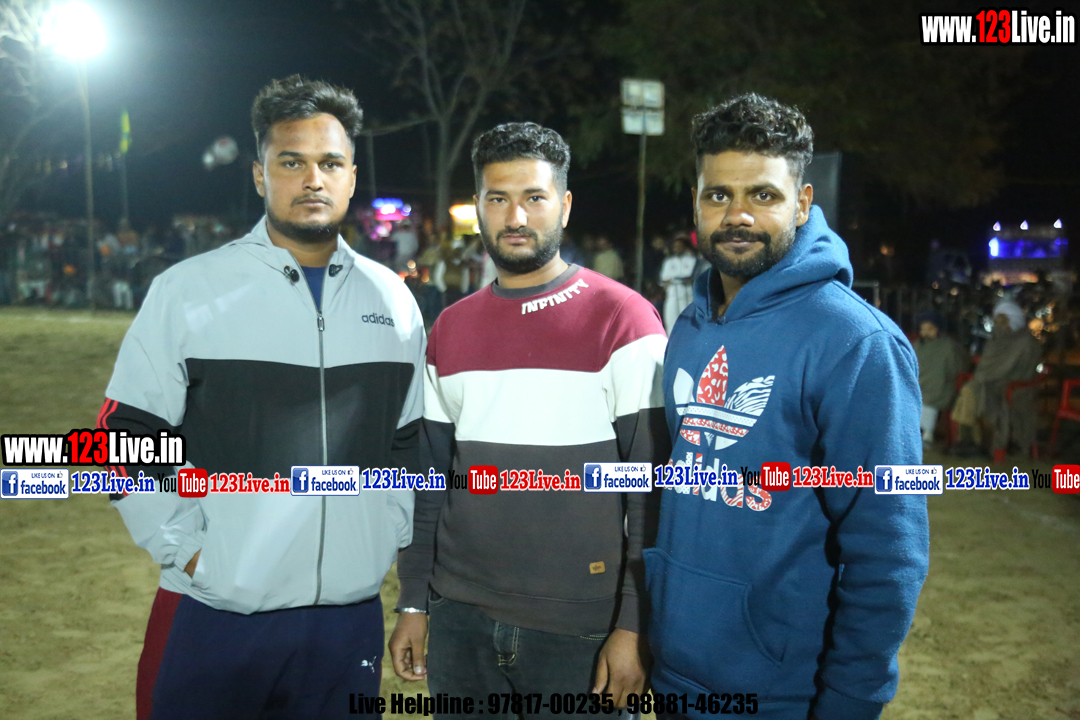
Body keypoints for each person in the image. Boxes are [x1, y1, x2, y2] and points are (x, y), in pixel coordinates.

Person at [99, 75, 426, 720]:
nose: (313, 179)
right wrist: (191, 553)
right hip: (215, 612)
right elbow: (121, 437)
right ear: (259, 175)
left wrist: (385, 531)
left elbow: (410, 443)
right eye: (291, 162)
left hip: (346, 622)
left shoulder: (394, 300)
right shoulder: (188, 290)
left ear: (351, 177)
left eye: (330, 163)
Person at [651, 93, 929, 720]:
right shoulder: (691, 326)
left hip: (780, 696)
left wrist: (849, 703)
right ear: (696, 202)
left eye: (763, 195)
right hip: (672, 678)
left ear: (802, 203)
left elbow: (888, 552)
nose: (737, 215)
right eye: (718, 195)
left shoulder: (856, 342)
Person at [390, 122, 670, 715]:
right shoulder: (450, 328)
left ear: (564, 206)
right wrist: (414, 600)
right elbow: (427, 480)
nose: (515, 216)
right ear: (479, 208)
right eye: (498, 198)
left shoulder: (624, 320)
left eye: (534, 198)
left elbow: (653, 494)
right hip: (459, 617)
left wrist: (633, 624)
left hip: (581, 629)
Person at [951, 300, 1042, 458]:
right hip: (987, 383)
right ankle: (970, 441)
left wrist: (997, 379)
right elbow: (986, 368)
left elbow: (1024, 372)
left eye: (1003, 321)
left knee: (971, 392)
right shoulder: (995, 341)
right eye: (997, 321)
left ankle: (972, 442)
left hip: (1012, 388)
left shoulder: (1026, 342)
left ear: (1013, 321)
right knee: (969, 391)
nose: (999, 325)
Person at [913, 310, 969, 444]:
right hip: (920, 386)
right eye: (923, 329)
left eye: (930, 329)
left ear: (937, 329)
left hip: (942, 387)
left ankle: (926, 434)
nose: (926, 333)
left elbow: (957, 368)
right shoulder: (917, 346)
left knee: (929, 397)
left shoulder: (948, 346)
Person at [659, 236, 697, 333]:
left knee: (688, 321)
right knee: (671, 322)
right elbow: (663, 280)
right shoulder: (669, 262)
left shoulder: (692, 260)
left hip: (687, 295)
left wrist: (682, 280)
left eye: (680, 246)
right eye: (676, 246)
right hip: (673, 296)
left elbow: (693, 278)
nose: (677, 248)